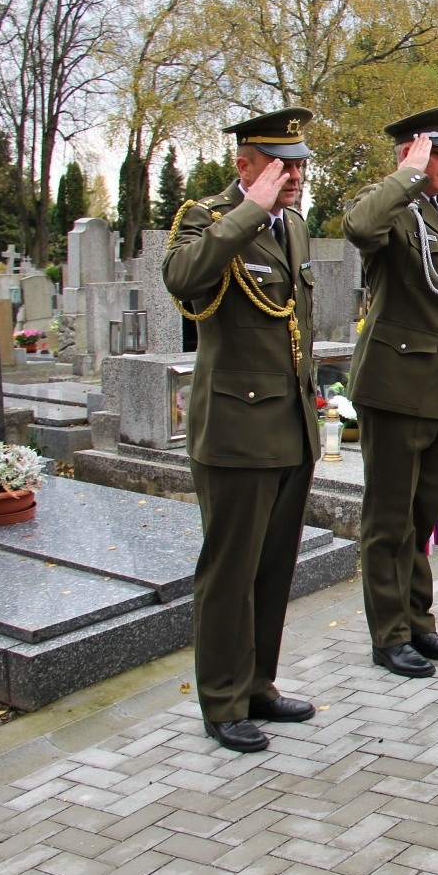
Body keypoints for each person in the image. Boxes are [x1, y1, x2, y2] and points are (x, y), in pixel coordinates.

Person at [162, 107, 319, 753]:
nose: (294, 176)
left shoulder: (295, 227)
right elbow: (181, 279)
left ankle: (257, 685)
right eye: (281, 165)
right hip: (234, 427)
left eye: (300, 165)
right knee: (230, 572)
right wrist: (247, 212)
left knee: (274, 567)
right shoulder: (207, 218)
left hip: (291, 425)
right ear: (245, 165)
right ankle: (222, 701)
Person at [343, 105, 438, 679]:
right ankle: (389, 634)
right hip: (394, 387)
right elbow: (359, 229)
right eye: (437, 154)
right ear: (410, 154)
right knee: (388, 519)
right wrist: (406, 176)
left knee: (422, 515)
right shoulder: (389, 204)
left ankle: (419, 622)